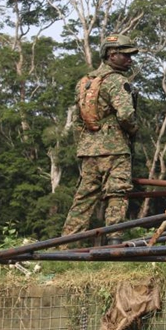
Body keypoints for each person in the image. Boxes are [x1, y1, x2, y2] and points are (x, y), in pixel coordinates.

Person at [62, 33, 140, 246]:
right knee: (117, 192)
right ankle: (114, 240)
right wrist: (133, 130)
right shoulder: (116, 81)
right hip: (115, 148)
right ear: (111, 55)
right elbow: (125, 114)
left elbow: (78, 121)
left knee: (84, 198)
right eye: (125, 55)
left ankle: (65, 245)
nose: (130, 60)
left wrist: (84, 145)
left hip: (88, 150)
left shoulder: (84, 82)